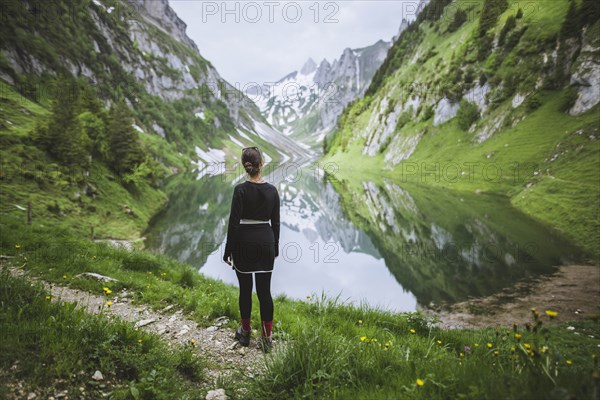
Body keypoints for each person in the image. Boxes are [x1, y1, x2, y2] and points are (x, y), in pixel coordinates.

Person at [223, 146, 280, 352]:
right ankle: (266, 339)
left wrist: (228, 250)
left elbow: (234, 224)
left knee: (245, 291)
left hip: (243, 244)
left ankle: (245, 333)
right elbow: (276, 223)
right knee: (265, 292)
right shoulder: (272, 191)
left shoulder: (240, 190)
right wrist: (275, 248)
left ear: (245, 166)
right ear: (261, 164)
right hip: (266, 242)